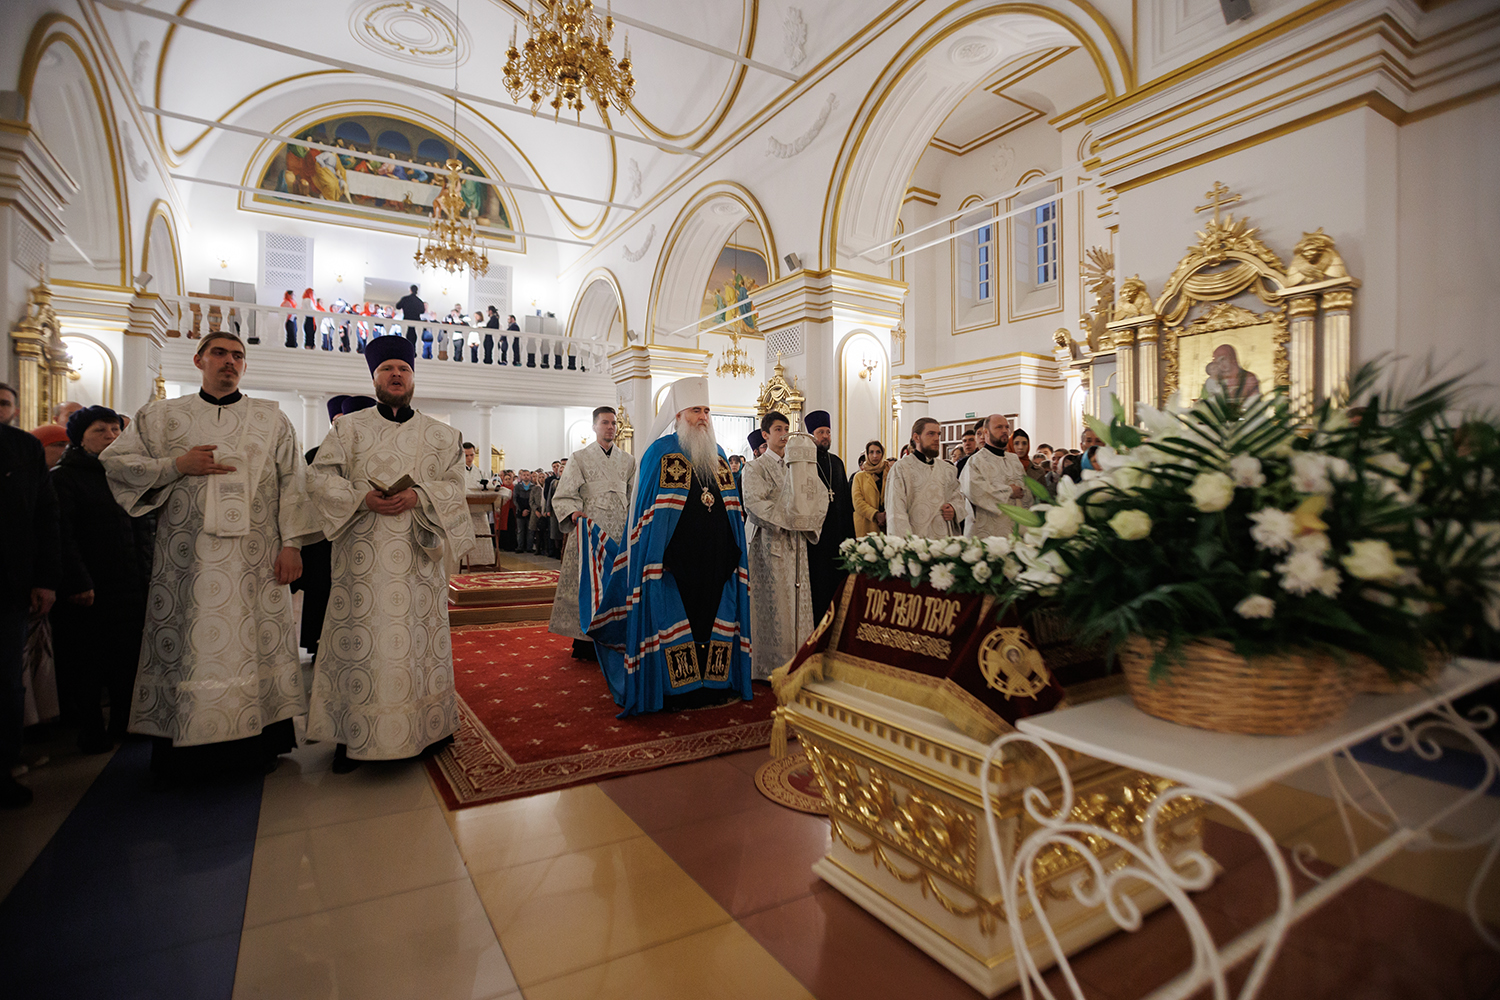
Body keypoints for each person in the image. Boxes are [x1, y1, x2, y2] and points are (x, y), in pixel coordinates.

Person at [103, 331, 318, 780]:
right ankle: (186, 750)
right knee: (192, 646)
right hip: (187, 564)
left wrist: (292, 544)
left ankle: (261, 743)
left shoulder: (271, 418)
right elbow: (117, 464)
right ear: (199, 359)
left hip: (256, 564)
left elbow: (292, 483)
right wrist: (175, 466)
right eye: (219, 353)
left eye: (238, 356)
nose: (229, 362)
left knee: (254, 644)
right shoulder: (161, 417)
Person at [306, 335, 473, 773]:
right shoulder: (348, 429)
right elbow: (319, 480)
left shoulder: (442, 435)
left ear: (413, 376)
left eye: (402, 368)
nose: (395, 375)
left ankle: (428, 727)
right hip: (361, 563)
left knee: (417, 642)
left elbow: (457, 487)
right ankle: (352, 735)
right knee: (360, 642)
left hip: (418, 562)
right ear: (374, 378)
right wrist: (362, 498)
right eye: (387, 370)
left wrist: (420, 497)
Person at [577, 377, 752, 715]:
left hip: (716, 562)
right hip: (673, 563)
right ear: (678, 415)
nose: (702, 417)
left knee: (711, 622)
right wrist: (658, 556)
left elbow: (730, 509)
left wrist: (733, 552)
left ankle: (714, 684)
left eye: (706, 410)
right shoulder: (660, 452)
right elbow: (647, 514)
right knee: (678, 622)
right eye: (695, 411)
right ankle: (678, 691)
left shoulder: (716, 455)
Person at [49, 406, 152, 753]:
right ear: (79, 437)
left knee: (127, 659)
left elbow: (140, 527)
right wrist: (78, 581)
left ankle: (126, 722)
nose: (110, 436)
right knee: (88, 662)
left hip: (128, 582)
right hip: (90, 586)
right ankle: (91, 729)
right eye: (100, 431)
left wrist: (146, 574)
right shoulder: (65, 477)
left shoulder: (125, 474)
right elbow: (62, 535)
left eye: (115, 429)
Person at [741, 410, 827, 680]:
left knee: (798, 602)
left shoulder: (799, 465)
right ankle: (770, 666)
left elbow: (819, 496)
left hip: (796, 544)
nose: (784, 434)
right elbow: (754, 503)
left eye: (787, 428)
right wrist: (791, 519)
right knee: (774, 605)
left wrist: (808, 518)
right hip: (768, 544)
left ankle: (799, 659)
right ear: (765, 434)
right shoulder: (753, 467)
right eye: (778, 429)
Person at [1, 405, 59, 807]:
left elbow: (43, 516)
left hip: (8, 584)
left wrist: (44, 578)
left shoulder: (21, 448)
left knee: (7, 684)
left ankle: (3, 768)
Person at [549, 407, 636, 660]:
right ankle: (585, 641)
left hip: (618, 534)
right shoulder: (579, 458)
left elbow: (632, 497)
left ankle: (615, 636)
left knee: (614, 584)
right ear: (594, 426)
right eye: (605, 423)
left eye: (614, 423)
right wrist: (574, 513)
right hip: (589, 533)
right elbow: (564, 494)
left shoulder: (629, 461)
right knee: (586, 584)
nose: (611, 427)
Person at [802, 410, 855, 618]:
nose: (825, 436)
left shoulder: (837, 462)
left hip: (838, 534)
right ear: (811, 436)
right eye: (821, 432)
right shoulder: (805, 463)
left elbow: (845, 502)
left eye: (828, 432)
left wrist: (850, 538)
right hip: (816, 539)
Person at [886, 416, 963, 538]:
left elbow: (958, 497)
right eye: (931, 434)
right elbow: (896, 511)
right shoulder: (902, 468)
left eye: (938, 434)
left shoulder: (948, 469)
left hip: (943, 540)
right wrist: (905, 546)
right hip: (915, 539)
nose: (937, 439)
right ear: (916, 437)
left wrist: (954, 509)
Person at [961, 413, 1029, 539]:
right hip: (988, 531)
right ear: (986, 433)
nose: (1004, 431)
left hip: (1015, 530)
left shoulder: (1014, 460)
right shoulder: (976, 461)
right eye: (999, 427)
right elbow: (974, 491)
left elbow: (1025, 492)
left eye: (1006, 427)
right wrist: (1009, 491)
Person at [851, 440, 890, 537]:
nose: (875, 456)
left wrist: (885, 515)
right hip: (867, 523)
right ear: (867, 455)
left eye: (878, 452)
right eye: (871, 452)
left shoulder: (890, 474)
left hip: (887, 522)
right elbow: (857, 502)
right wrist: (876, 515)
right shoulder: (859, 477)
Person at [513, 470, 533, 554]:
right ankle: (520, 546)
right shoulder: (517, 487)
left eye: (527, 475)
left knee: (530, 530)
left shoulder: (533, 487)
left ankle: (529, 547)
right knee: (520, 530)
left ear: (530, 476)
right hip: (520, 511)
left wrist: (529, 510)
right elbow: (515, 499)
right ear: (521, 476)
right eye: (524, 475)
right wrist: (521, 510)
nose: (526, 476)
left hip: (530, 511)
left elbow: (534, 500)